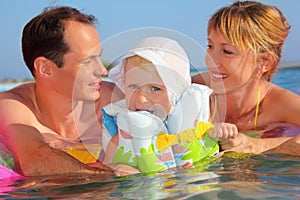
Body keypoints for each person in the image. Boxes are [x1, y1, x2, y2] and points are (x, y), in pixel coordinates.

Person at [0, 6, 123, 176]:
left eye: (99, 58)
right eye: (88, 61)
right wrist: (104, 178)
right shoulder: (12, 106)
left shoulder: (114, 102)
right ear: (45, 68)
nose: (103, 70)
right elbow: (34, 161)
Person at [101, 36, 238, 174]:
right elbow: (106, 172)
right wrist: (116, 170)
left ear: (175, 94)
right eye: (133, 86)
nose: (141, 99)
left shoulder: (194, 127)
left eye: (155, 89)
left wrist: (222, 133)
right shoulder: (122, 137)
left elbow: (212, 140)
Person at [192, 0, 300, 155]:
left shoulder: (279, 103)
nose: (210, 60)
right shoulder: (193, 88)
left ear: (264, 62)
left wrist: (257, 146)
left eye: (227, 51)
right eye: (210, 46)